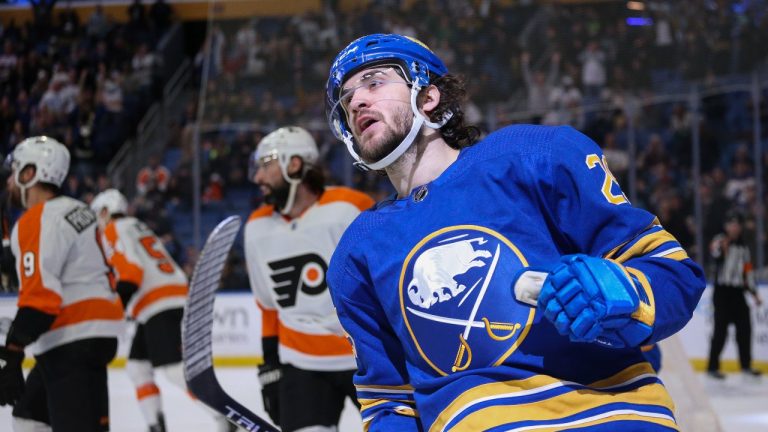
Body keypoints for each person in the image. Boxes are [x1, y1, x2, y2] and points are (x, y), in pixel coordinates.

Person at [324, 34, 707, 431]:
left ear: (428, 96)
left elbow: (675, 276)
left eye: (374, 82)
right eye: (346, 97)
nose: (356, 102)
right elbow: (390, 403)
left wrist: (624, 293)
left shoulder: (537, 155)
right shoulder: (357, 254)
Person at [244, 126, 373, 431]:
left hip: (368, 358)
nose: (257, 178)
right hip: (300, 364)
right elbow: (268, 306)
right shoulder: (256, 227)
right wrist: (270, 366)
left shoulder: (350, 208)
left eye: (265, 166)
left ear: (294, 164)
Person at [0, 136, 124, 431]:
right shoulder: (80, 210)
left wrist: (12, 353)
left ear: (30, 174)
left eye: (15, 170)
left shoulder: (37, 218)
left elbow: (41, 299)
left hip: (71, 336)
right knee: (28, 416)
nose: (9, 182)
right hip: (95, 331)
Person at [90, 188, 236, 432]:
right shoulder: (137, 226)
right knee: (137, 367)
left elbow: (131, 273)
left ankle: (226, 417)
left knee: (172, 369)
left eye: (98, 215)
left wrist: (115, 308)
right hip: (163, 300)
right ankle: (155, 426)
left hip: (158, 303)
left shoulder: (113, 229)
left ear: (105, 212)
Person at [706, 211, 763, 379]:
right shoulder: (719, 240)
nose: (734, 227)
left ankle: (746, 365)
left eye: (737, 224)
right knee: (720, 331)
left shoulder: (744, 247)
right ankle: (712, 366)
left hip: (738, 293)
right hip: (722, 292)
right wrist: (723, 246)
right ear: (726, 226)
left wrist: (754, 293)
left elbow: (747, 272)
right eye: (731, 224)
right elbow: (714, 254)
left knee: (745, 329)